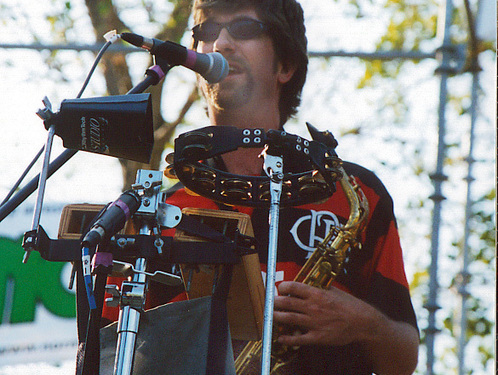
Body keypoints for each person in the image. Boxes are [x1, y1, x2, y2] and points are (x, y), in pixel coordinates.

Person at [99, 0, 419, 374]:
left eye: (244, 29)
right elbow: (107, 357)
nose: (220, 44)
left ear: (286, 66)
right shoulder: (155, 210)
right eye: (207, 31)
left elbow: (404, 359)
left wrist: (363, 323)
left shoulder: (355, 192)